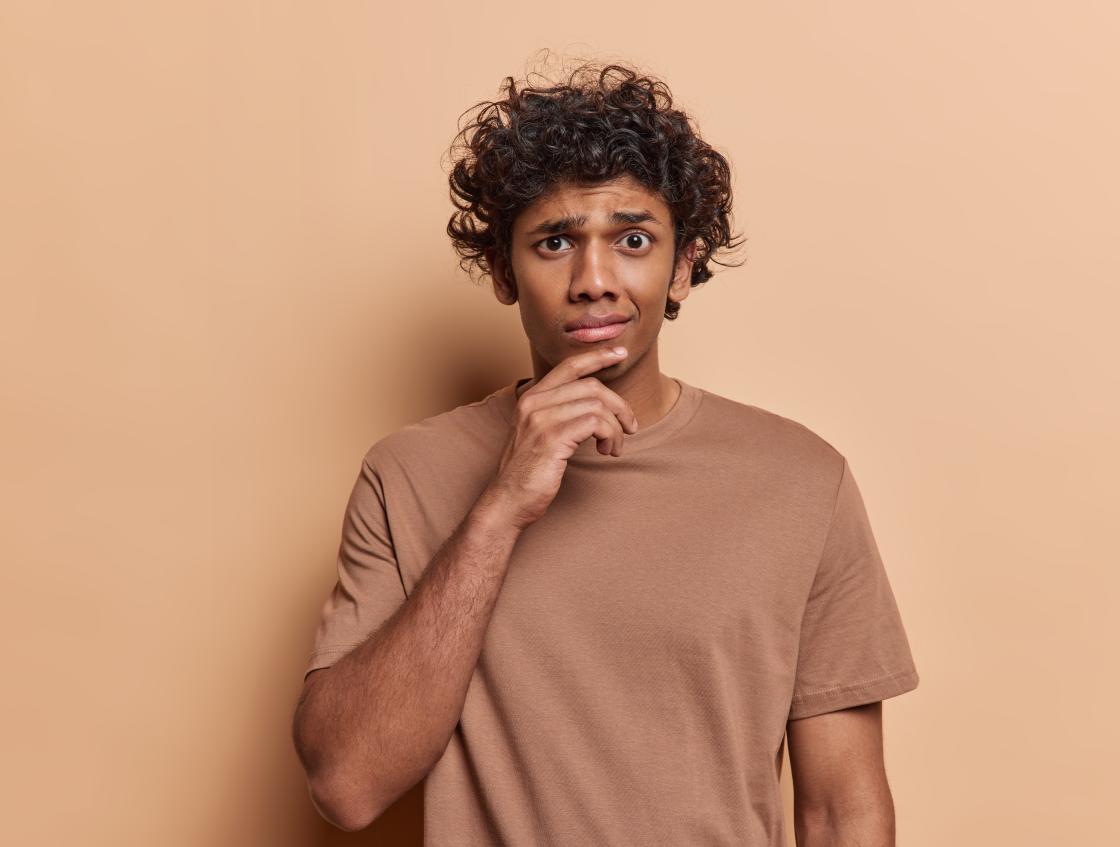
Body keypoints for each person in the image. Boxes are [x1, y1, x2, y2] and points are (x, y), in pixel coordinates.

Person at [292, 60, 920, 845]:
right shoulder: (408, 474)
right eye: (555, 241)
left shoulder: (802, 480)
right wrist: (498, 510)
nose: (593, 279)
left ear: (684, 266)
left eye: (631, 239)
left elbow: (841, 811)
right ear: (502, 271)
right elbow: (346, 784)